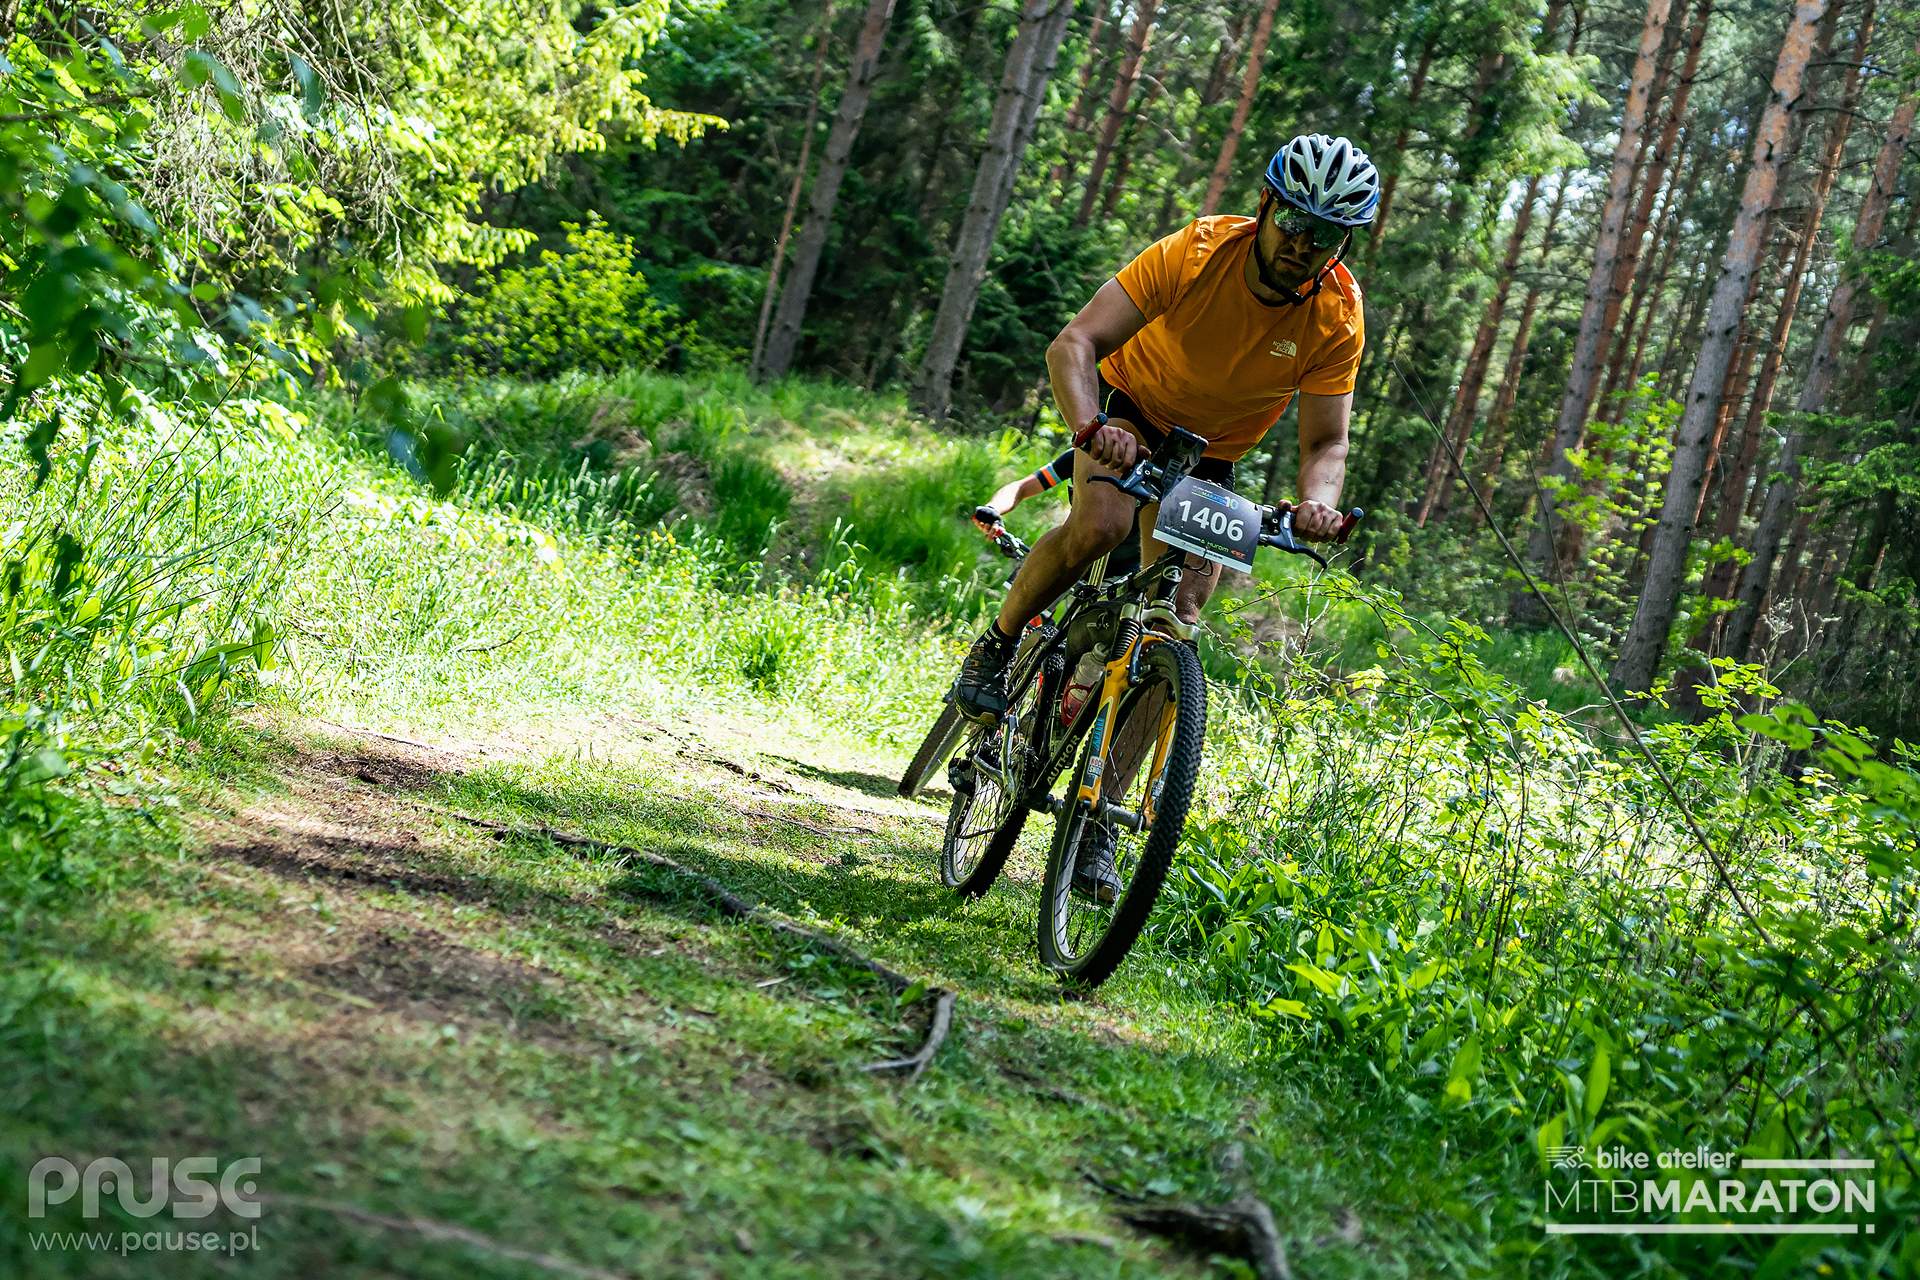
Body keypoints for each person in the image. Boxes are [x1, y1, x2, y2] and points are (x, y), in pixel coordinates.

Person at [948, 133, 1379, 898]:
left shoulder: (1336, 315)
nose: (1302, 244)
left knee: (1173, 621)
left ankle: (1100, 817)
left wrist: (1319, 503)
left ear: (1344, 243)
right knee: (1100, 528)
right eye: (1293, 220)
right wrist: (1090, 428)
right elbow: (1075, 343)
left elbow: (1327, 442)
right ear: (1265, 206)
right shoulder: (1199, 252)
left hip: (1210, 457)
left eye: (1325, 234)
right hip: (1128, 415)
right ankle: (997, 644)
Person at [972, 449, 1141, 582]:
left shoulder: (1148, 471)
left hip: (1126, 574)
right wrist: (993, 509)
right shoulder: (1082, 456)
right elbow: (1022, 487)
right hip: (1074, 557)